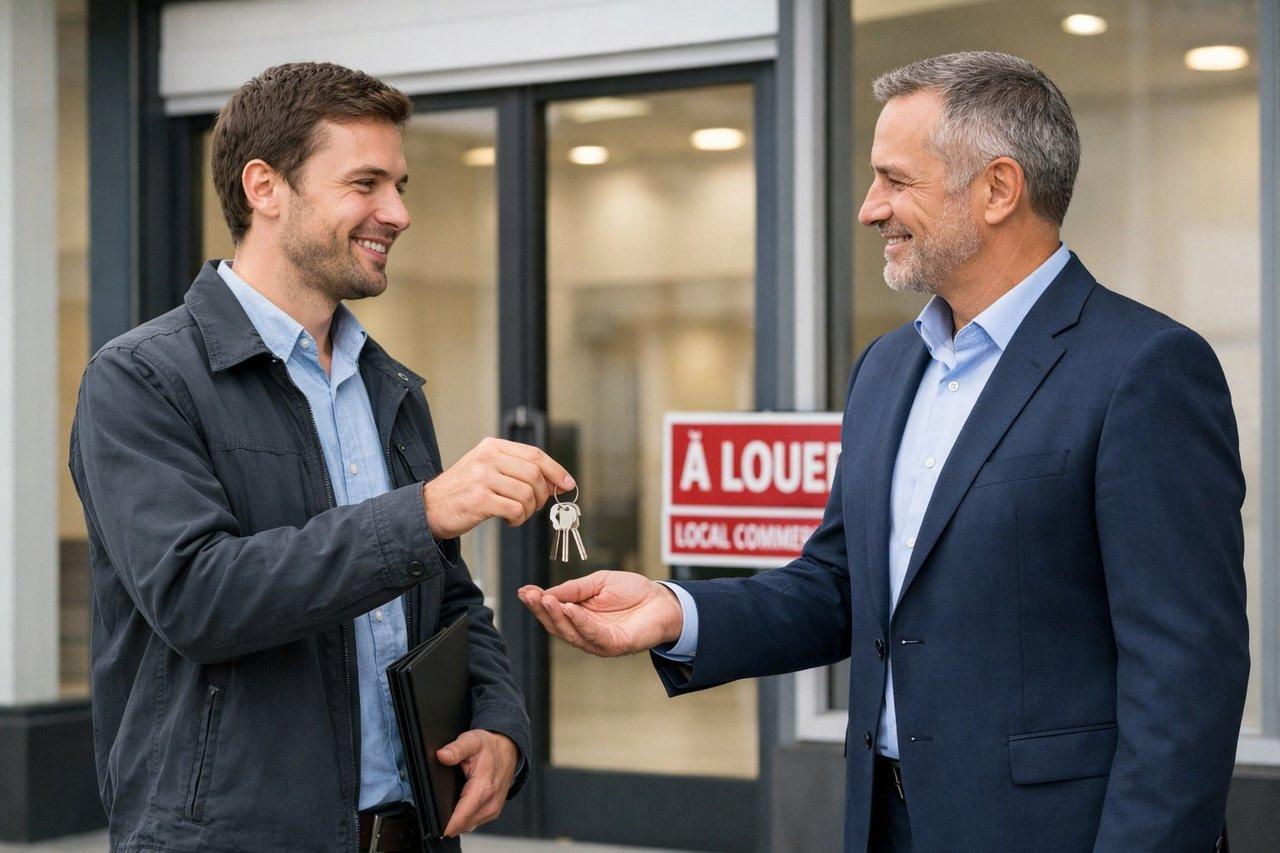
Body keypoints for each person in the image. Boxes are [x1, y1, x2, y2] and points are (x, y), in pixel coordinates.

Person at [520, 51, 1248, 852]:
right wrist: (677, 611)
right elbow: (840, 587)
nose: (871, 208)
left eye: (895, 180)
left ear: (999, 189)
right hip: (886, 822)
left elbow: (1185, 680)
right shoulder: (888, 367)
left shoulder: (1144, 370)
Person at [70, 62, 571, 852]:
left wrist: (501, 723)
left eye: (400, 184)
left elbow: (449, 600)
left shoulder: (388, 385)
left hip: (412, 832)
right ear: (265, 187)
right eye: (366, 183)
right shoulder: (139, 379)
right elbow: (197, 597)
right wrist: (427, 509)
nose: (398, 212)